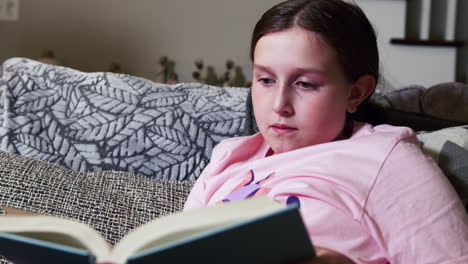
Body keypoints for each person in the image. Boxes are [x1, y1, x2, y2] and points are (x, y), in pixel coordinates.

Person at [183, 0, 468, 263]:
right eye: (266, 80)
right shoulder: (229, 156)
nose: (279, 105)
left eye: (305, 84)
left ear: (356, 93)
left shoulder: (385, 161)